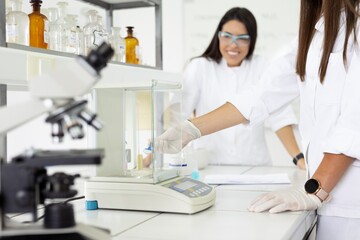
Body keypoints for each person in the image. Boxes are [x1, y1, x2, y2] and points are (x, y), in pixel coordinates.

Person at [156, 0, 360, 239]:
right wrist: (192, 128)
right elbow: (262, 95)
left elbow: (353, 122)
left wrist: (315, 188)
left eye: (241, 38)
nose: (234, 44)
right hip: (328, 197)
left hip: (349, 199)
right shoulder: (314, 34)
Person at [177, 7, 305, 168]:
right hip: (209, 166)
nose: (233, 45)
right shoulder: (199, 67)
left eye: (242, 38)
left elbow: (280, 116)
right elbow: (177, 114)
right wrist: (153, 155)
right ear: (218, 36)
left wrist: (299, 159)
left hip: (254, 165)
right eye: (226, 36)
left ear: (251, 41)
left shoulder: (262, 66)